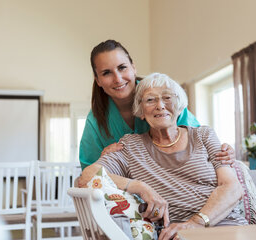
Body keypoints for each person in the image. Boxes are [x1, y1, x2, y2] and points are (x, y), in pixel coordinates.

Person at [79, 73, 247, 240]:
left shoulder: (204, 135)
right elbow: (87, 175)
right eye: (150, 100)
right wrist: (139, 187)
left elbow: (232, 188)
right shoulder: (131, 146)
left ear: (180, 106)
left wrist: (197, 222)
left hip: (227, 227)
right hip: (175, 235)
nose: (160, 105)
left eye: (167, 97)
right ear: (141, 111)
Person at [79, 40, 235, 169]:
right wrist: (103, 159)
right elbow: (89, 173)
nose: (118, 79)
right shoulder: (95, 121)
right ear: (98, 80)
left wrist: (224, 152)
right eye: (106, 73)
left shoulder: (164, 96)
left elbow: (199, 141)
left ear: (133, 68)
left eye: (122, 68)